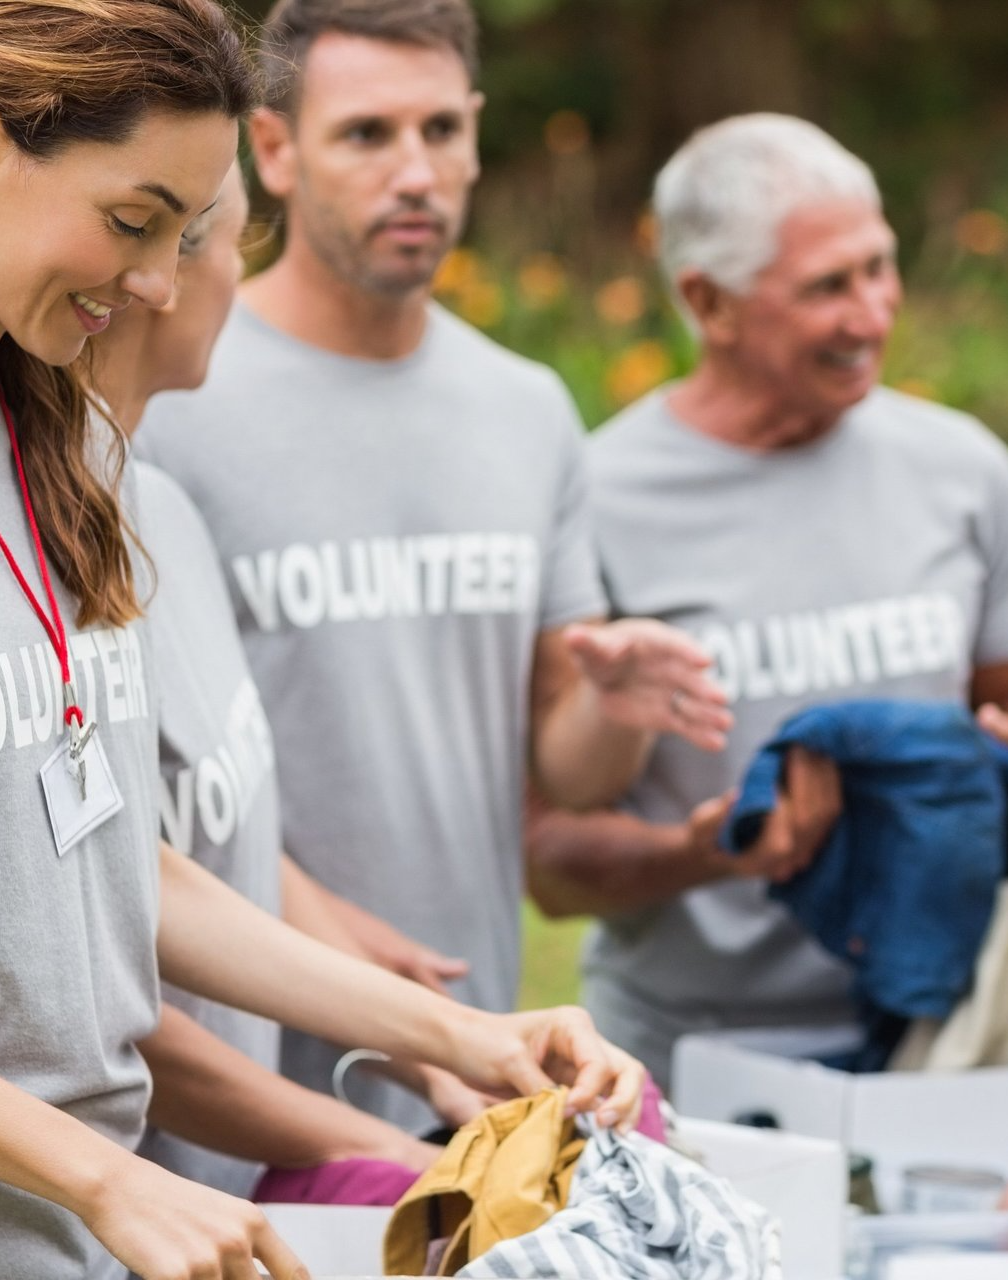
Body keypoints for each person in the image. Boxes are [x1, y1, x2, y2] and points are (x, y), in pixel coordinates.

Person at [0, 5, 647, 1275]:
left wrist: (463, 1034)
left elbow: (119, 861)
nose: (159, 281)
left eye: (185, 232)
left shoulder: (52, 440)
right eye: (132, 220)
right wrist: (106, 1173)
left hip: (66, 1231)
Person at [136, 0, 730, 1133]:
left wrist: (612, 709)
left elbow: (568, 775)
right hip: (236, 1078)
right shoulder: (172, 390)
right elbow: (147, 795)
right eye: (367, 134)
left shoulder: (527, 408)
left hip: (483, 1063)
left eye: (441, 131)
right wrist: (327, 946)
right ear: (274, 150)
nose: (415, 173)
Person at [525, 113, 1008, 1091]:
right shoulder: (597, 495)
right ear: (708, 301)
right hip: (683, 1062)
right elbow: (551, 860)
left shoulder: (961, 470)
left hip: (940, 1047)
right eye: (828, 286)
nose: (872, 313)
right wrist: (702, 852)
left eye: (879, 267)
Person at [92, 164, 440, 1198]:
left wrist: (435, 1046)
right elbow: (101, 995)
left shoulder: (166, 513)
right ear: (160, 270)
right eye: (241, 245)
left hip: (236, 1203)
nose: (243, 283)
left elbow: (215, 834)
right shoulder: (36, 554)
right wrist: (387, 1147)